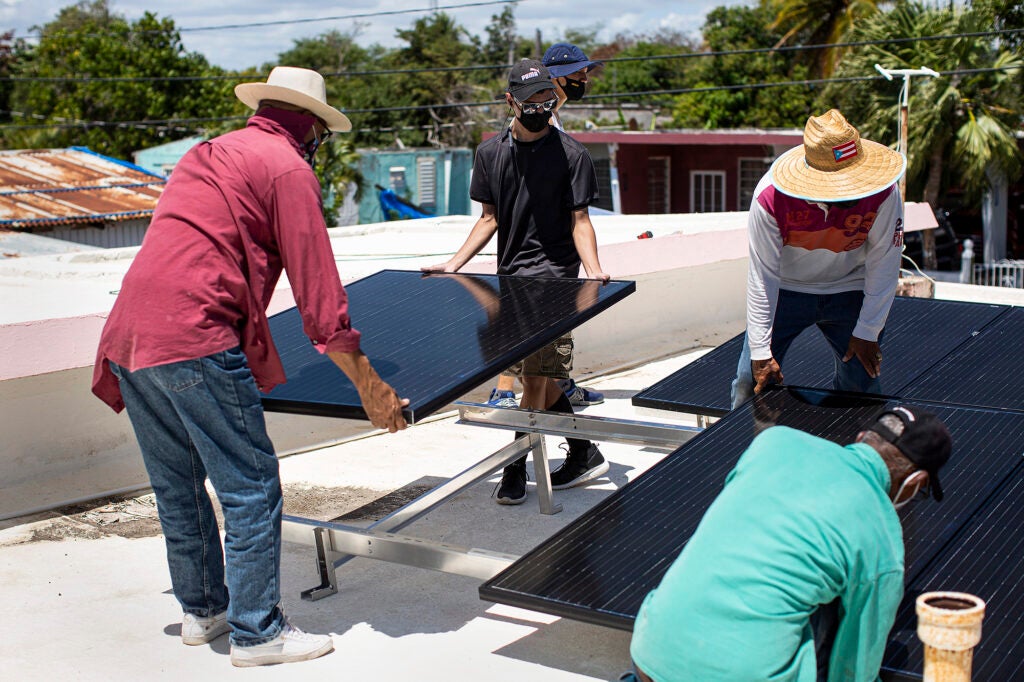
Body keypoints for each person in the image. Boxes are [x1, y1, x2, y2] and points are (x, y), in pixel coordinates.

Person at [91, 66, 408, 667]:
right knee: (250, 486)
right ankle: (258, 632)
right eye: (320, 135)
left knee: (178, 485)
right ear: (311, 127)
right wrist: (372, 385)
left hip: (130, 335)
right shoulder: (288, 168)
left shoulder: (208, 153)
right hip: (196, 335)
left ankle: (203, 608)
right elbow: (319, 296)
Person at [627, 405, 953, 681]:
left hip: (649, 653)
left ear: (862, 439)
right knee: (841, 609)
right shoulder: (883, 539)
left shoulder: (773, 442)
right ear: (915, 481)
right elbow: (854, 666)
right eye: (920, 493)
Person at [423, 59, 611, 504]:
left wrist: (594, 270)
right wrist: (453, 265)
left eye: (547, 98)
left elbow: (580, 221)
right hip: (511, 280)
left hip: (557, 281)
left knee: (532, 379)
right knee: (544, 379)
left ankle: (514, 466)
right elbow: (488, 220)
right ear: (511, 101)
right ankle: (585, 451)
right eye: (531, 101)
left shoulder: (573, 155)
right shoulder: (489, 154)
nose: (541, 107)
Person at [731, 109, 907, 409]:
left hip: (849, 287)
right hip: (786, 290)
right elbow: (763, 276)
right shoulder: (770, 199)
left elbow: (886, 262)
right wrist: (760, 351)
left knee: (862, 384)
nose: (855, 191)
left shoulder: (884, 194)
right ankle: (738, 449)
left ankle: (851, 450)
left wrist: (867, 331)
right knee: (750, 381)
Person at [485, 43, 606, 410]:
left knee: (538, 346)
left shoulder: (552, 115)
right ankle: (507, 391)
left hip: (543, 258)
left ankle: (556, 389)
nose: (585, 80)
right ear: (554, 78)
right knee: (531, 342)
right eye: (578, 74)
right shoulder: (540, 121)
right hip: (537, 258)